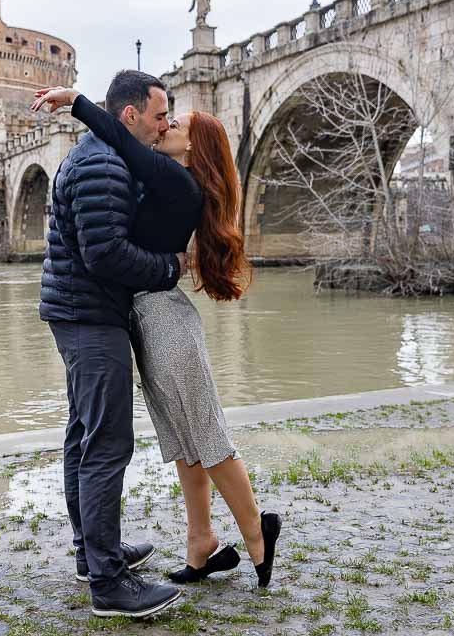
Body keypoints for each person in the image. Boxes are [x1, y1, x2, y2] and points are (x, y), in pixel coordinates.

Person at [33, 77, 282, 589]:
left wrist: (77, 103)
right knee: (180, 437)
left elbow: (122, 138)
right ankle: (201, 542)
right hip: (146, 312)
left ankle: (258, 535)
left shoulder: (175, 181)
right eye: (164, 117)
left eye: (177, 122)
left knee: (204, 433)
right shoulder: (168, 176)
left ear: (192, 145)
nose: (167, 125)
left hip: (163, 317)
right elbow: (124, 145)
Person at [38, 70, 186, 619]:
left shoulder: (96, 152)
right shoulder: (102, 163)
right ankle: (108, 583)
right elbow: (107, 254)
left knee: (83, 436)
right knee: (106, 445)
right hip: (90, 316)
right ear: (130, 115)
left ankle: (92, 553)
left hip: (78, 312)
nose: (162, 126)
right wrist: (169, 267)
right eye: (157, 116)